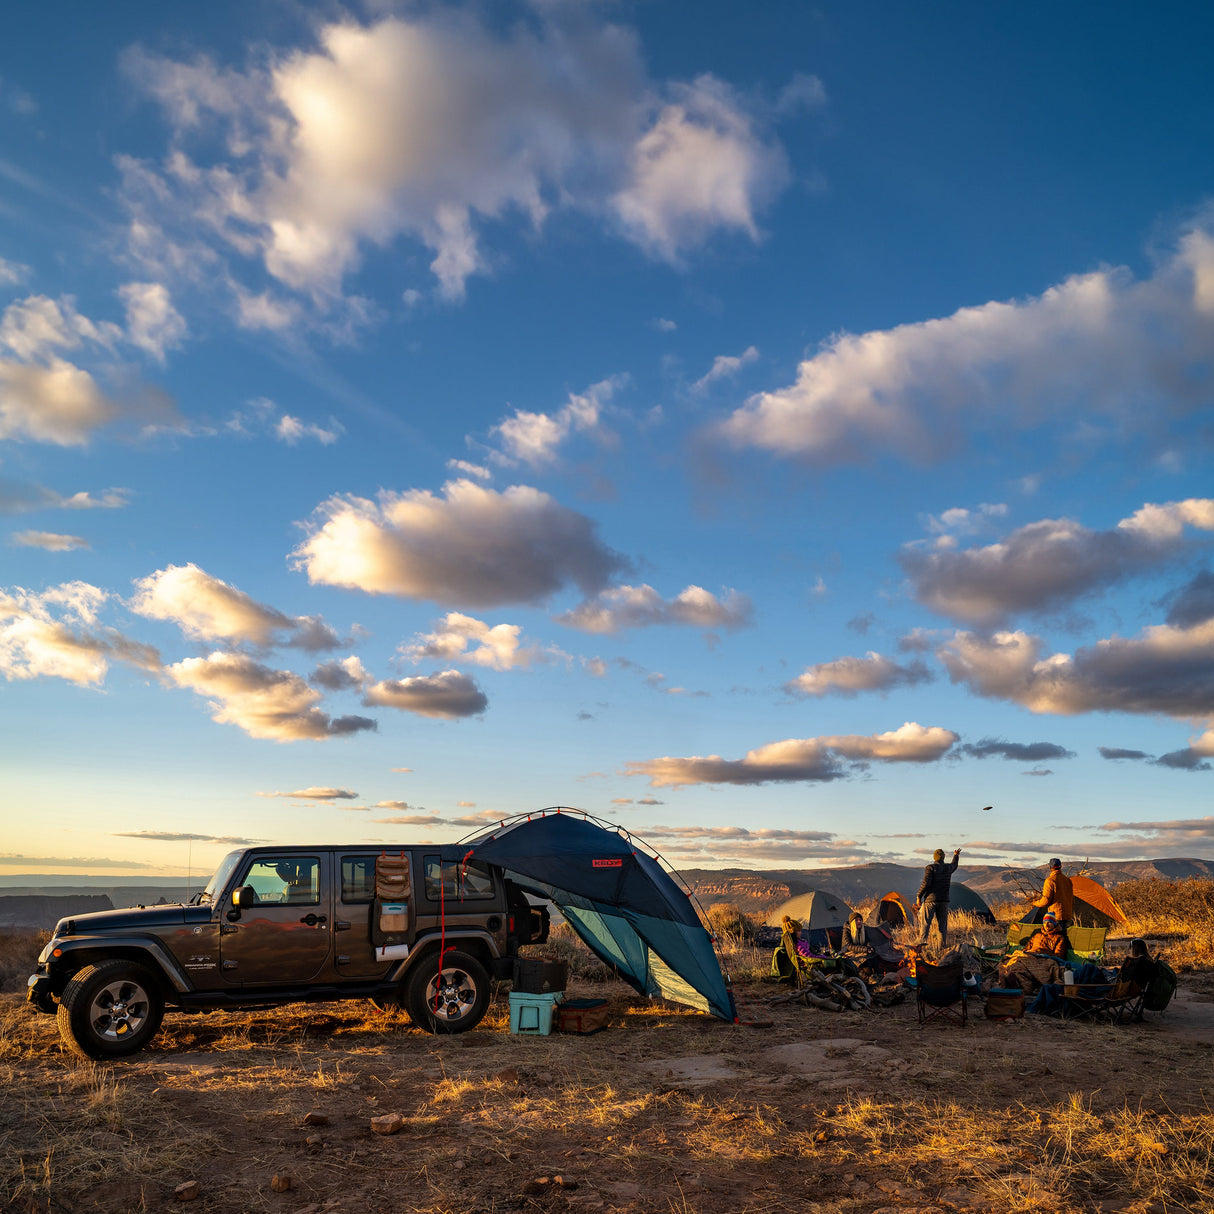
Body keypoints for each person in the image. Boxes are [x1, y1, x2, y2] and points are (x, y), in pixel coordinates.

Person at [914, 846, 960, 950]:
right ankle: (941, 948)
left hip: (930, 900)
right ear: (943, 857)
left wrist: (919, 896)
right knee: (942, 927)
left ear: (934, 857)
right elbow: (954, 865)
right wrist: (956, 855)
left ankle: (921, 948)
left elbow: (926, 883)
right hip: (943, 900)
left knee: (925, 925)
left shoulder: (930, 868)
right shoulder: (948, 868)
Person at [1029, 858, 1074, 928]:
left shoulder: (1050, 881)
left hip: (1056, 916)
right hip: (1068, 915)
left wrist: (1035, 903)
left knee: (1055, 934)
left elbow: (1045, 901)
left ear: (1050, 867)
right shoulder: (1067, 880)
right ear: (1060, 866)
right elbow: (1071, 898)